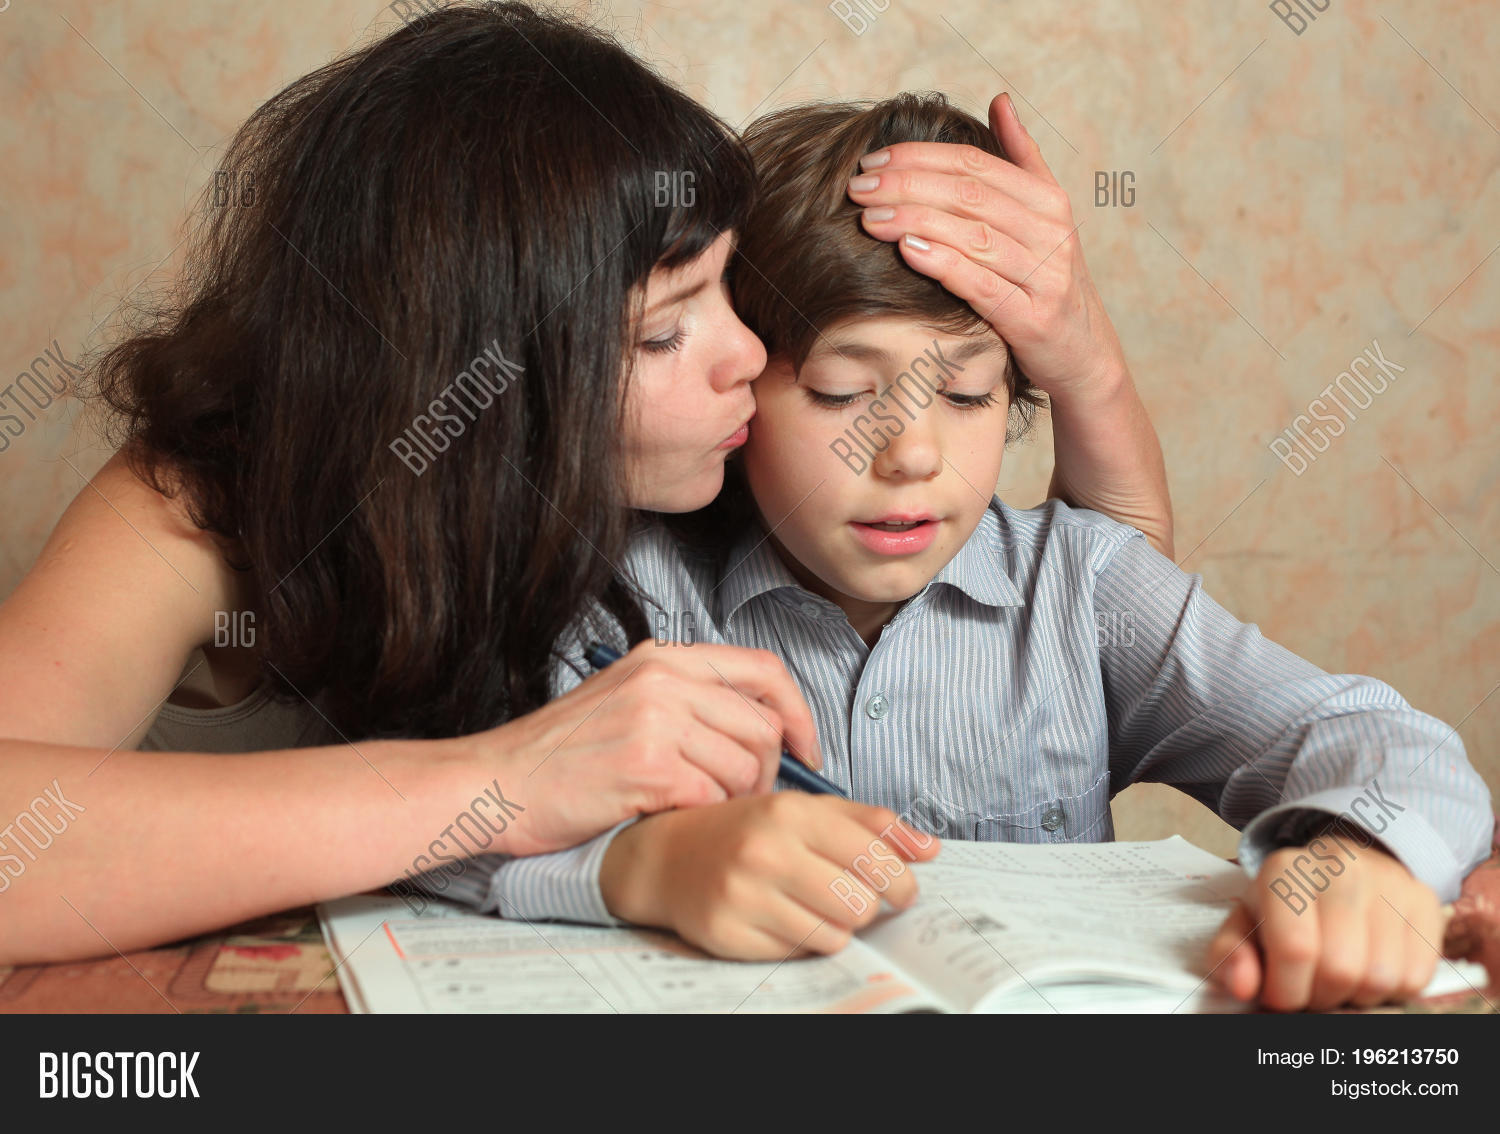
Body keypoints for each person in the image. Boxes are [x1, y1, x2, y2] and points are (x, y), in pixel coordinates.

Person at [0, 6, 1169, 964]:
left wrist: (1080, 354)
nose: (753, 359)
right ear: (488, 379)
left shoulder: (677, 480)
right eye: (664, 333)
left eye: (729, 295)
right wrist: (500, 782)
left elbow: (1100, 611)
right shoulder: (192, 498)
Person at [443, 93, 1494, 1014]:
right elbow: (454, 812)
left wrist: (1367, 858)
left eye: (964, 394)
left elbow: (1373, 735)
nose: (910, 455)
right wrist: (640, 862)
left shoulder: (1085, 587)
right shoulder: (627, 592)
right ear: (741, 389)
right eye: (844, 394)